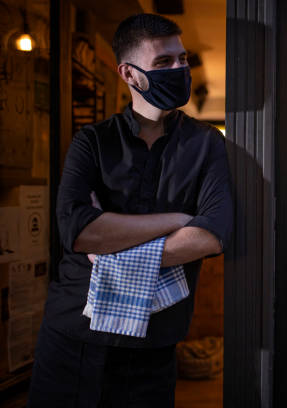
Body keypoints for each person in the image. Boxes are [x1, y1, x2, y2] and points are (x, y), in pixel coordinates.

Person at [27, 14, 233, 407]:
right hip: (74, 335)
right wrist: (176, 220)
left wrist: (112, 240)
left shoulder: (207, 145)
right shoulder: (92, 141)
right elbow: (79, 231)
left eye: (182, 59)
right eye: (163, 63)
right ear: (130, 74)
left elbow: (211, 234)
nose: (179, 69)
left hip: (154, 341)